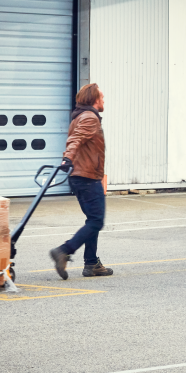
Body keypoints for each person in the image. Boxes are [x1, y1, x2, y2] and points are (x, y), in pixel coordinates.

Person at [49, 83, 113, 278]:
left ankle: (92, 263)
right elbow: (75, 140)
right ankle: (64, 250)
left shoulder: (80, 116)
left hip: (83, 176)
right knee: (96, 221)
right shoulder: (89, 117)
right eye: (101, 97)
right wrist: (67, 158)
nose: (104, 100)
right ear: (94, 99)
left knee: (92, 220)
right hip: (86, 177)